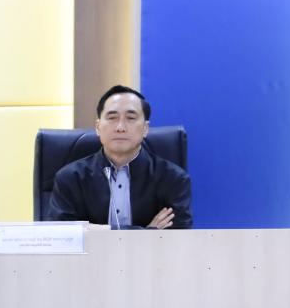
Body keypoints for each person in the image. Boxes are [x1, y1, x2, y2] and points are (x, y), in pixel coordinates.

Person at [48, 85, 192, 229]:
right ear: (98, 127)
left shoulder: (173, 179)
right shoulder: (69, 179)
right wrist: (146, 232)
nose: (120, 127)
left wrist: (94, 230)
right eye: (112, 118)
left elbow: (178, 237)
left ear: (145, 128)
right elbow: (63, 234)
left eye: (130, 118)